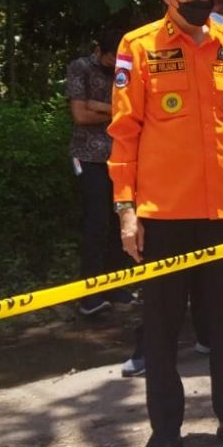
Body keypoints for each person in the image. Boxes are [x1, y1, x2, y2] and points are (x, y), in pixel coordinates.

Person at [109, 0, 223, 447]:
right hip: (163, 215)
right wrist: (126, 209)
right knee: (160, 330)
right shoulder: (139, 48)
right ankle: (165, 433)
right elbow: (124, 135)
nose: (208, 0)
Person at [67, 30, 134, 316]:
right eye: (110, 58)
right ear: (98, 50)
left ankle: (116, 284)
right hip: (88, 156)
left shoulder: (125, 69)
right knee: (97, 222)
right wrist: (116, 110)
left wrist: (101, 107)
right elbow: (80, 115)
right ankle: (90, 294)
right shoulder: (80, 68)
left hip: (121, 156)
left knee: (122, 218)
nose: (113, 64)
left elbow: (134, 112)